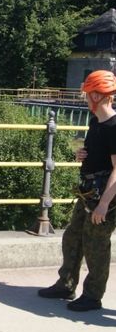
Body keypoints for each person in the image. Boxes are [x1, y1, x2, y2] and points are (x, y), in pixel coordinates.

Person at [38, 70, 116, 311]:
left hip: (105, 196)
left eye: (87, 94)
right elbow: (98, 155)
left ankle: (93, 296)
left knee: (96, 245)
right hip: (89, 192)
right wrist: (82, 154)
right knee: (72, 236)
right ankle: (67, 284)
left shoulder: (114, 126)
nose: (84, 98)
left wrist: (104, 204)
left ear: (96, 95)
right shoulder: (97, 122)